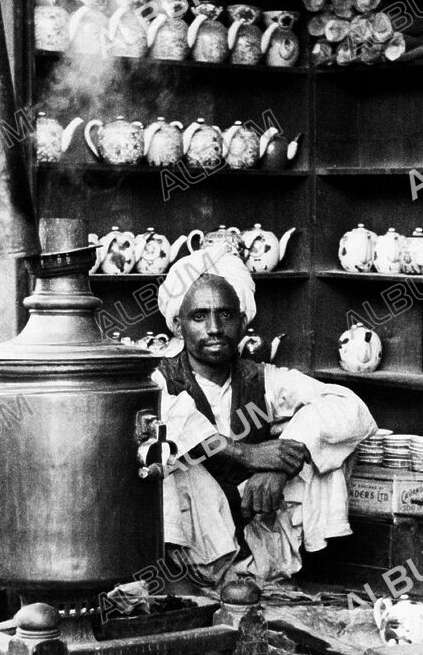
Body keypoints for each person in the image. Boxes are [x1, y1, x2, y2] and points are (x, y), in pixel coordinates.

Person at [153, 243, 378, 585]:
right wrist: (247, 453)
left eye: (226, 314)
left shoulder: (263, 379)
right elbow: (169, 420)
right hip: (191, 536)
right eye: (199, 316)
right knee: (164, 456)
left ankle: (265, 572)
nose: (214, 328)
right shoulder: (159, 379)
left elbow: (351, 408)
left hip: (252, 521)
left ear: (242, 322)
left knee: (322, 445)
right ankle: (181, 585)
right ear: (178, 326)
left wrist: (284, 460)